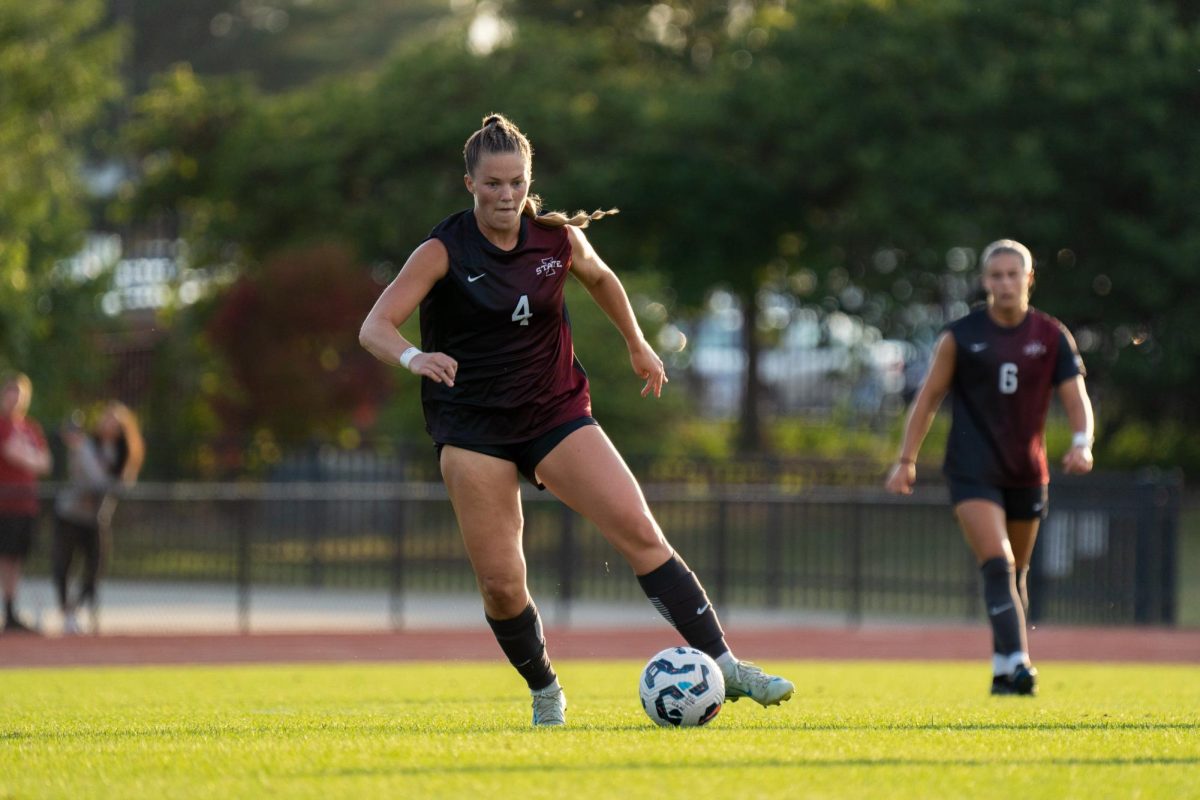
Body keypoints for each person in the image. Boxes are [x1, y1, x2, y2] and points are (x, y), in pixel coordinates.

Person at [360, 113, 794, 726]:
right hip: (473, 428)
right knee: (502, 585)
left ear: (529, 180)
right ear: (469, 184)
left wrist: (637, 344)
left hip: (554, 410)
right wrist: (414, 356)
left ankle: (725, 665)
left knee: (640, 532)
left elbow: (601, 276)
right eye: (492, 185)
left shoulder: (555, 236)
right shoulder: (442, 250)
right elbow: (374, 326)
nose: (506, 196)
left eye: (516, 183)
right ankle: (545, 691)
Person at [884, 239, 1095, 696]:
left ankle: (1002, 670)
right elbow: (927, 401)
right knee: (998, 563)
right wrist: (906, 460)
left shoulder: (1051, 335)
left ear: (1029, 279)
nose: (1004, 283)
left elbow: (1077, 399)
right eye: (995, 276)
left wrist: (1083, 443)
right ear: (985, 282)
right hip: (972, 471)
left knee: (1016, 572)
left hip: (1026, 472)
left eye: (1012, 274)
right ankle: (1020, 661)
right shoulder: (961, 336)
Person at [53, 402, 145, 634]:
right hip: (72, 513)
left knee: (95, 567)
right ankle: (67, 612)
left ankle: (76, 609)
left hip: (97, 517)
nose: (108, 424)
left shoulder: (122, 453)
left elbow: (121, 484)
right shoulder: (86, 445)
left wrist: (108, 482)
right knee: (63, 563)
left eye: (115, 422)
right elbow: (89, 477)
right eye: (107, 419)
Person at [0, 372, 53, 634]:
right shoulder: (2, 425)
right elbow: (11, 454)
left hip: (26, 504)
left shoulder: (30, 427)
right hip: (4, 503)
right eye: (10, 392)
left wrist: (26, 456)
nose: (15, 399)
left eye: (19, 394)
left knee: (16, 558)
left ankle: (10, 611)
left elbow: (46, 462)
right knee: (4, 558)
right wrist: (29, 457)